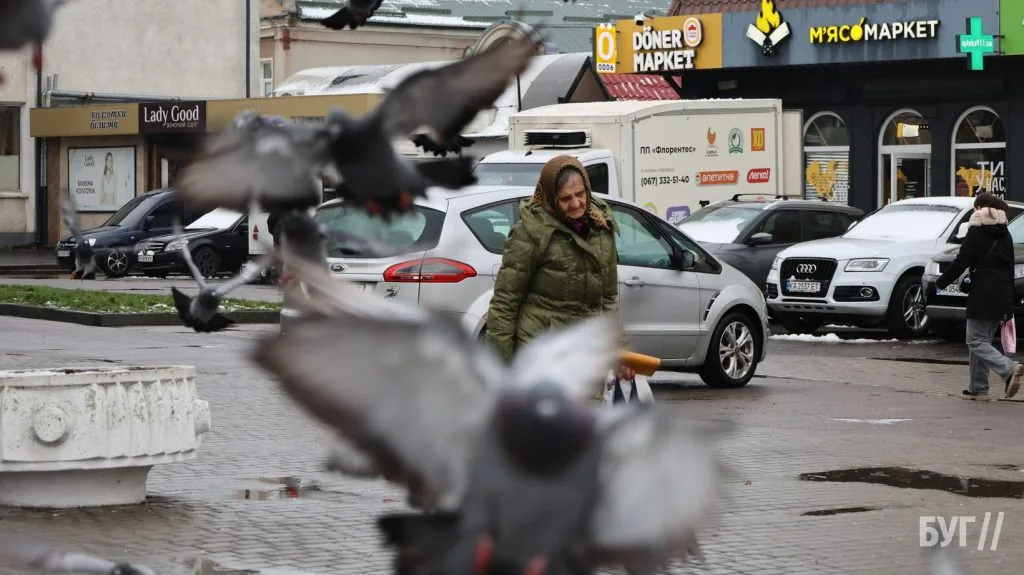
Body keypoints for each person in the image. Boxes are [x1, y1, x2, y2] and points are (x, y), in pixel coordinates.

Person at [486, 155, 634, 381]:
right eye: (565, 198)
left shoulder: (602, 226)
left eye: (580, 194)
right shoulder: (530, 232)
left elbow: (609, 299)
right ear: (550, 198)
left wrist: (620, 350)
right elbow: (505, 304)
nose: (575, 204)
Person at [935, 192, 1024, 400]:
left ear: (980, 208)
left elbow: (961, 261)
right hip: (1001, 293)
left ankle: (1009, 368)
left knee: (975, 340)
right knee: (982, 340)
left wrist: (941, 283)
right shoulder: (1006, 233)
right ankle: (978, 388)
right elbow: (1010, 266)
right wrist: (1008, 299)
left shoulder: (976, 231)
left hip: (982, 292)